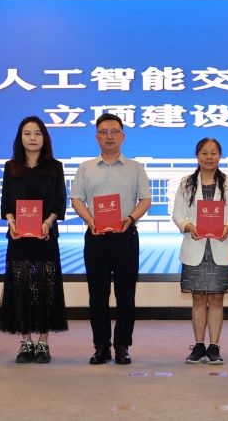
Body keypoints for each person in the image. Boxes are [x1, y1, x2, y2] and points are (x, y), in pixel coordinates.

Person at [70, 113, 151, 365]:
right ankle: (101, 347)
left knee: (126, 295)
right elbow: (76, 199)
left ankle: (122, 346)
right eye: (104, 132)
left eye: (114, 132)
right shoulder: (85, 168)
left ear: (123, 136)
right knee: (98, 295)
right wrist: (90, 220)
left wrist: (131, 218)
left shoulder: (136, 167)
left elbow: (145, 199)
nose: (109, 136)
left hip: (126, 236)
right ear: (97, 137)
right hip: (96, 237)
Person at [0, 116, 68, 364]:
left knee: (46, 287)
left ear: (44, 138)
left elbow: (59, 201)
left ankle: (43, 342)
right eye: (27, 133)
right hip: (19, 237)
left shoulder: (55, 167)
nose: (32, 138)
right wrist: (11, 222)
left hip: (46, 236)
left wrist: (48, 222)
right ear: (20, 138)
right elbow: (6, 203)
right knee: (20, 287)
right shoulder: (11, 167)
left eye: (37, 133)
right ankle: (25, 341)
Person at [171, 138, 228, 365]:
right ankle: (199, 345)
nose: (209, 157)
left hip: (219, 246)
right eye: (204, 153)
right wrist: (187, 226)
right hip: (196, 247)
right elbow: (178, 214)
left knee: (217, 299)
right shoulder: (187, 183)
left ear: (220, 156)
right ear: (197, 155)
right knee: (199, 298)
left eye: (213, 153)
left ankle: (214, 347)